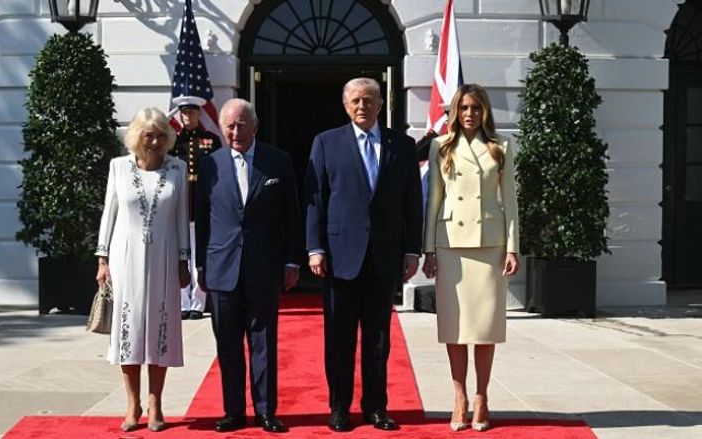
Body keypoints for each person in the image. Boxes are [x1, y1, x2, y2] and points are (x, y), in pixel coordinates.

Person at [304, 77, 422, 432]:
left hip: (383, 257)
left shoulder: (402, 145)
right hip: (339, 258)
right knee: (339, 339)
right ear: (345, 105)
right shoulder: (326, 143)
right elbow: (315, 199)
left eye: (369, 100)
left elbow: (412, 202)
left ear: (380, 104)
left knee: (378, 339)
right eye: (355, 100)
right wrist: (314, 248)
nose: (362, 106)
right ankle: (339, 407)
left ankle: (376, 407)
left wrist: (412, 249)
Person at [194, 98, 301, 433]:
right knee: (227, 345)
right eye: (229, 126)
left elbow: (292, 216)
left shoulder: (278, 162)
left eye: (242, 125)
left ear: (255, 126)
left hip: (264, 268)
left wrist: (292, 260)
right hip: (221, 268)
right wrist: (200, 267)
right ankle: (234, 411)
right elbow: (202, 220)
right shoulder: (209, 165)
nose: (235, 132)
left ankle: (266, 411)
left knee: (263, 343)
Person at [421, 84, 519, 432]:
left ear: (484, 111)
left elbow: (510, 201)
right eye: (463, 108)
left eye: (476, 108)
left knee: (485, 326)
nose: (469, 114)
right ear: (455, 111)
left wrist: (512, 247)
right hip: (451, 244)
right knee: (456, 326)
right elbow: (433, 201)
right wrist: (428, 249)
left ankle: (482, 396)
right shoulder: (441, 145)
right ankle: (459, 395)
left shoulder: (502, 146)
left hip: (490, 244)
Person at [95, 107, 192, 433]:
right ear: (137, 136)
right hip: (125, 258)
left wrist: (183, 260)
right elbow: (109, 213)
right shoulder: (118, 167)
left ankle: (156, 403)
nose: (154, 141)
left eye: (161, 135)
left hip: (164, 257)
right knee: (130, 330)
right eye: (149, 135)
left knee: (160, 329)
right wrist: (102, 259)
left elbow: (181, 217)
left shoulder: (178, 168)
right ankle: (132, 403)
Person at [168, 96, 222, 320]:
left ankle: (198, 303)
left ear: (199, 114)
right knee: (181, 255)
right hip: (180, 204)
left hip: (202, 204)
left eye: (191, 112)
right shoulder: (173, 140)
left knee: (200, 254)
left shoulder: (211, 140)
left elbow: (219, 173)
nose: (187, 116)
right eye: (183, 112)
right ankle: (182, 302)